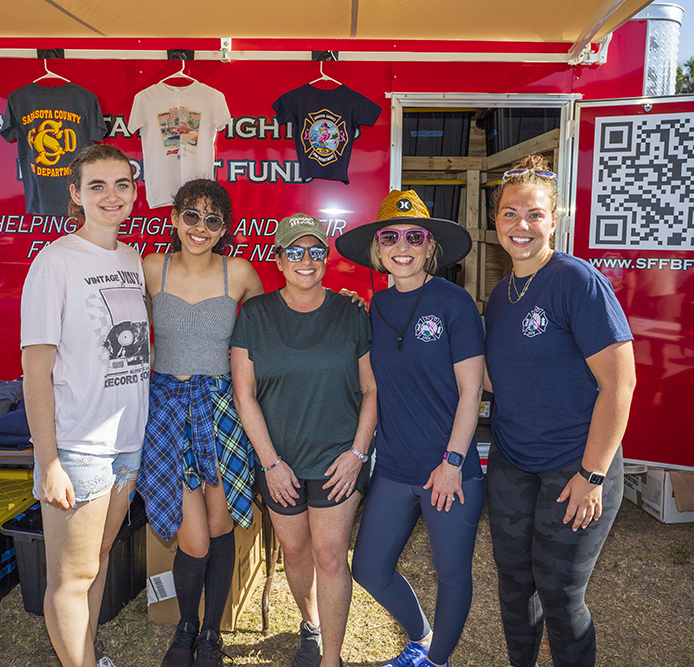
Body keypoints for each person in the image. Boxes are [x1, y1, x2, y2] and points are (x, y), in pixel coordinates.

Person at [483, 155, 636, 667]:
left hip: (574, 466)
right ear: (495, 220)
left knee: (560, 595)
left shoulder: (577, 281)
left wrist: (592, 475)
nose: (521, 225)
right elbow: (497, 377)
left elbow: (620, 384)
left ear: (555, 220)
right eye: (509, 213)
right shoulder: (500, 295)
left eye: (534, 214)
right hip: (512, 461)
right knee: (513, 586)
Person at [335, 190, 485, 667]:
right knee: (369, 569)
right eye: (390, 237)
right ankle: (422, 636)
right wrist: (349, 308)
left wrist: (453, 462)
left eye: (414, 237)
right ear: (377, 249)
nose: (402, 246)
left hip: (449, 470)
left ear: (430, 247)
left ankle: (436, 661)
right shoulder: (373, 308)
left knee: (452, 573)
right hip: (395, 469)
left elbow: (472, 392)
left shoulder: (454, 303)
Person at [21, 144, 148, 667]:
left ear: (134, 192)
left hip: (127, 446)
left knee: (96, 561)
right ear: (75, 194)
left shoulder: (131, 258)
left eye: (121, 184)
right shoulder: (55, 262)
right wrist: (49, 461)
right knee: (71, 579)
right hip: (77, 448)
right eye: (97, 186)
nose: (111, 196)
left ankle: (86, 657)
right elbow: (36, 371)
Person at [230, 213, 376, 667]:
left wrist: (357, 453)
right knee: (294, 552)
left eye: (315, 250)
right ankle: (310, 624)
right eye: (294, 251)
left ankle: (330, 658)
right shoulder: (255, 314)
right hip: (280, 462)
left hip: (338, 460)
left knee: (330, 556)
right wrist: (271, 463)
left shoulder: (352, 312)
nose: (305, 259)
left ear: (325, 258)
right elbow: (244, 394)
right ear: (278, 259)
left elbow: (371, 390)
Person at [138, 179, 264, 667]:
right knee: (192, 538)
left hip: (221, 411)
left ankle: (211, 632)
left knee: (219, 524)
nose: (200, 228)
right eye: (191, 215)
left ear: (224, 228)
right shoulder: (151, 268)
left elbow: (273, 328)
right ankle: (185, 625)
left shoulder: (241, 274)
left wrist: (342, 301)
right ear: (174, 218)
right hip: (167, 409)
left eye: (213, 220)